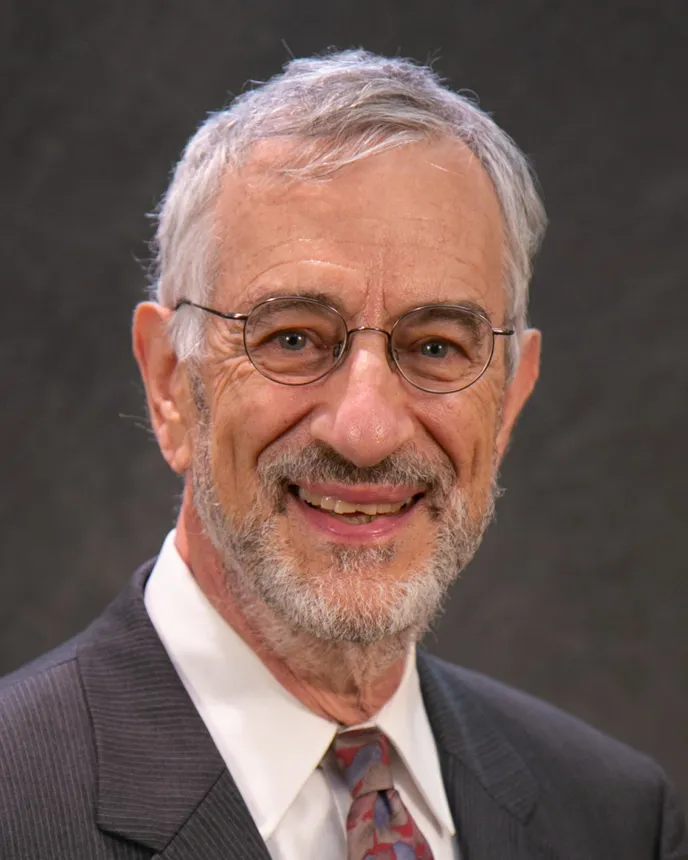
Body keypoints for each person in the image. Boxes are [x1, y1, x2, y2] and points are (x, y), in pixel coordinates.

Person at [1, 49, 685, 860]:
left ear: (508, 397)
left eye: (436, 346)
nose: (365, 429)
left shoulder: (615, 820)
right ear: (169, 384)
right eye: (292, 338)